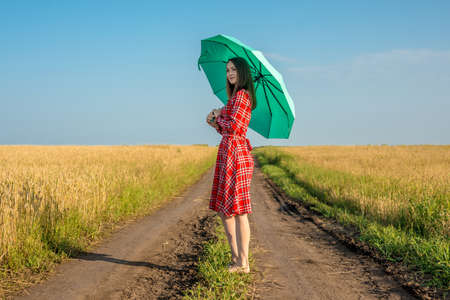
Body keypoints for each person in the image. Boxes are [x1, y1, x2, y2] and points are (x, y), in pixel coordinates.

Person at [206, 56, 257, 274]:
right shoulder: (234, 99)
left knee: (238, 211)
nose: (229, 73)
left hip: (236, 154)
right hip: (229, 151)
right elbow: (226, 128)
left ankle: (242, 262)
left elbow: (235, 127)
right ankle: (236, 259)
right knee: (226, 210)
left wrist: (219, 116)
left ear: (243, 72)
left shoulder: (243, 97)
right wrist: (214, 120)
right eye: (227, 70)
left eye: (234, 69)